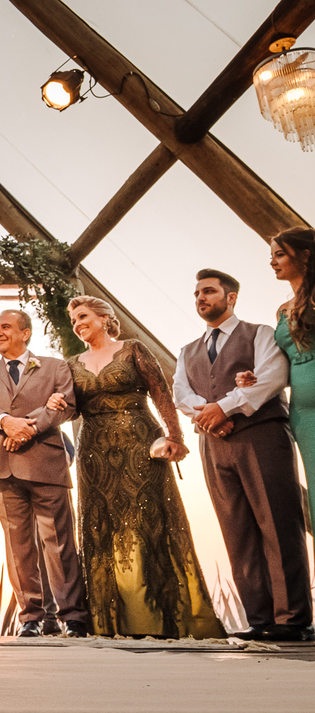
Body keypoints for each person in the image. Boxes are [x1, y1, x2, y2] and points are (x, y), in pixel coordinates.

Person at [51, 295, 223, 639]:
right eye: (73, 321)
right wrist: (57, 403)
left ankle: (162, 619)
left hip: (141, 444)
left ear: (104, 318)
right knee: (103, 528)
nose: (78, 323)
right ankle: (110, 623)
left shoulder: (132, 349)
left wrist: (174, 435)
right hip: (94, 452)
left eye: (83, 316)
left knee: (148, 523)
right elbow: (71, 409)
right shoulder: (70, 363)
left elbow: (161, 392)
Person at [173, 270, 311, 641]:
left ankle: (293, 620)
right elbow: (181, 395)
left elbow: (272, 376)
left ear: (230, 297)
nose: (201, 297)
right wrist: (210, 416)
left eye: (209, 291)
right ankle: (260, 618)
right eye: (197, 292)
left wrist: (225, 408)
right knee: (237, 531)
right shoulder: (188, 351)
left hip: (262, 435)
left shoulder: (260, 333)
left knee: (278, 525)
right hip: (214, 444)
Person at [0, 310, 88, 638]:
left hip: (45, 461)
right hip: (1, 464)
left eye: (5, 327)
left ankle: (73, 616)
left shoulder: (55, 367)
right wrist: (7, 422)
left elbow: (66, 404)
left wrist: (27, 427)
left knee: (59, 542)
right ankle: (31, 617)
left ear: (26, 333)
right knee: (18, 544)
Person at [262, 227, 315, 527]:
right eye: (271, 256)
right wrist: (253, 378)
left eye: (280, 254)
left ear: (305, 255)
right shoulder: (282, 311)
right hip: (303, 414)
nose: (272, 262)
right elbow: (283, 363)